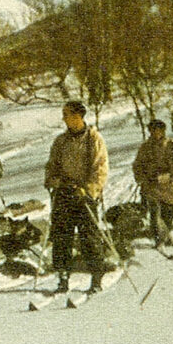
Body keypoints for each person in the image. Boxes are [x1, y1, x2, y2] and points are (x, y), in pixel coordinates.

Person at [44, 101, 109, 294]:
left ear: (78, 116)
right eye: (63, 114)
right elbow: (51, 165)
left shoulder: (93, 139)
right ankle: (63, 277)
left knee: (89, 237)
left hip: (84, 195)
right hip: (63, 193)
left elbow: (101, 168)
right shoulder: (60, 141)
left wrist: (89, 189)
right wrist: (52, 180)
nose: (64, 118)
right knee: (61, 236)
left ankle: (96, 277)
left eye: (67, 114)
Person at [132, 119, 173, 247]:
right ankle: (158, 238)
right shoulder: (145, 147)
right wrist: (140, 178)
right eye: (152, 131)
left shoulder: (171, 145)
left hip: (169, 183)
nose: (155, 133)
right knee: (155, 211)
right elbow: (137, 165)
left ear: (162, 131)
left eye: (158, 130)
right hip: (151, 184)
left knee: (169, 210)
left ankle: (167, 233)